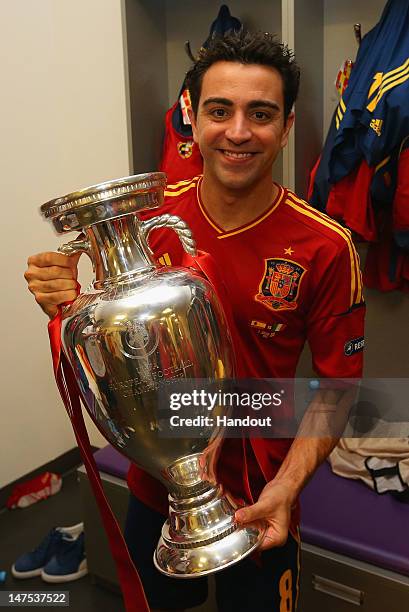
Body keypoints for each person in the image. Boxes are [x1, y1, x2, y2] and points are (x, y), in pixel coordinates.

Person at [24, 30, 365, 612]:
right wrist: (65, 298)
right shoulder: (148, 219)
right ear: (192, 117)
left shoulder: (327, 246)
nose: (237, 132)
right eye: (219, 110)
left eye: (260, 114)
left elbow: (338, 387)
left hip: (264, 497)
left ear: (285, 129)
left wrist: (286, 489)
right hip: (157, 489)